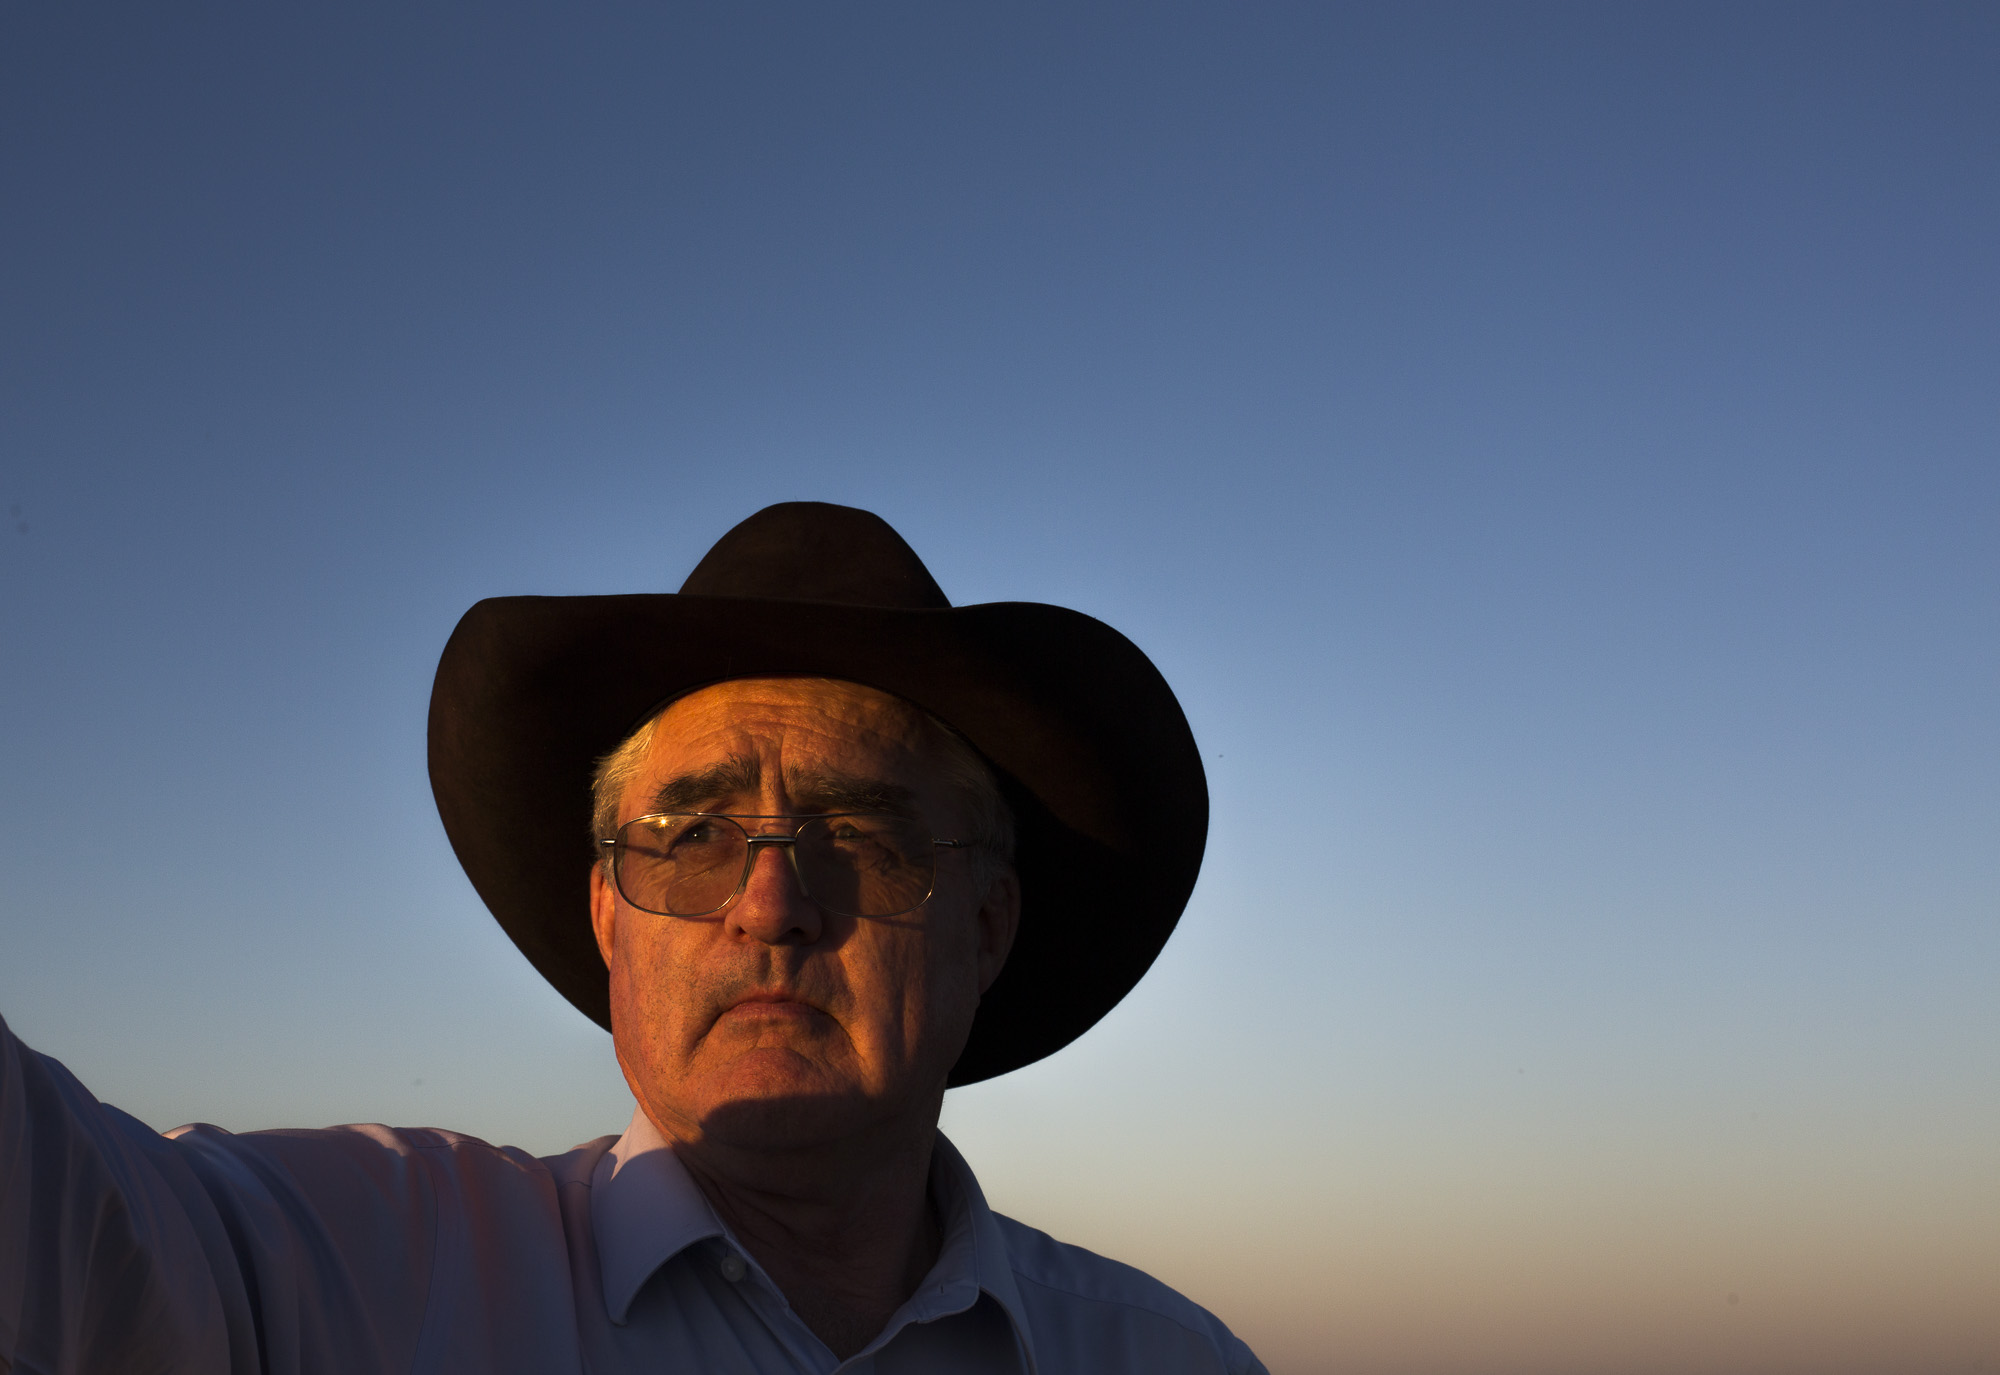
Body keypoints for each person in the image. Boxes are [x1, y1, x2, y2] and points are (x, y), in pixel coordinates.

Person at [0, 502, 1266, 1373]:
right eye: (691, 835)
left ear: (985, 928)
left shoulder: (1164, 1356)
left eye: (860, 837)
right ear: (608, 913)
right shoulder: (337, 1274)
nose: (769, 904)